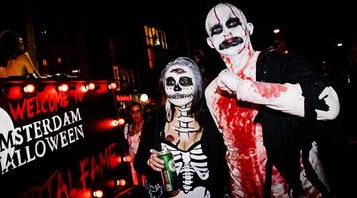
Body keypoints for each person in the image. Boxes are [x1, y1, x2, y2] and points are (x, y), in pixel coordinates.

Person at [204, 3, 340, 198]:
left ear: (248, 28)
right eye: (217, 30)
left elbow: (329, 107)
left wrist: (244, 88)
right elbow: (219, 147)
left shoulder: (282, 65)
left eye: (232, 24)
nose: (226, 33)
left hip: (298, 188)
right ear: (211, 42)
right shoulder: (212, 92)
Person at [134, 57, 229, 198]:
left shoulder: (213, 118)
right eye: (170, 82)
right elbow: (139, 163)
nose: (176, 88)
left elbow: (228, 165)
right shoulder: (154, 121)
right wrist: (149, 162)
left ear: (197, 85)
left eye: (184, 81)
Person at [123, 101, 146, 186]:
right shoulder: (127, 127)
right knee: (136, 186)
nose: (136, 114)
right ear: (130, 113)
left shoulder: (147, 125)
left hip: (144, 161)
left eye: (138, 111)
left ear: (142, 111)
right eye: (133, 112)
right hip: (132, 163)